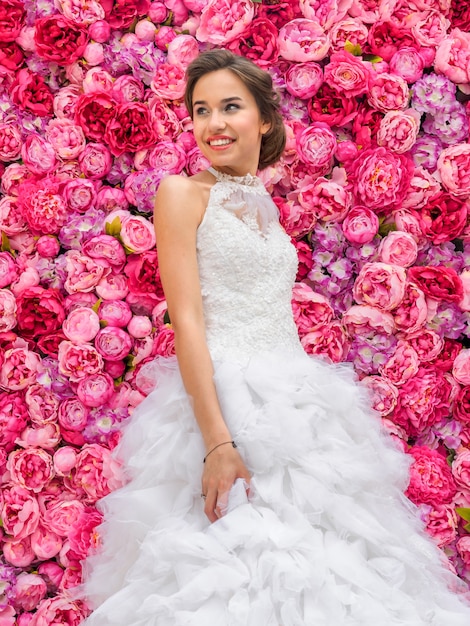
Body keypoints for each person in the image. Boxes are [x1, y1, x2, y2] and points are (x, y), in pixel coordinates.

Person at [81, 50, 470, 625]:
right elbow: (188, 322)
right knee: (232, 571)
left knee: (325, 569)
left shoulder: (263, 204)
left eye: (230, 107)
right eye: (201, 110)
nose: (213, 123)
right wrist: (217, 442)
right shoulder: (182, 193)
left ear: (263, 120)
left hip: (297, 399)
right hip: (224, 402)